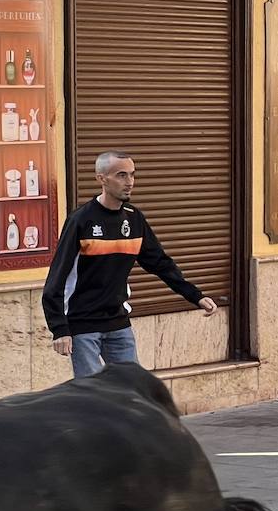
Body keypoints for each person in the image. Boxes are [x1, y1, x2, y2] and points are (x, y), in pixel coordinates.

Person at [42, 151, 218, 377]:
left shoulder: (134, 219)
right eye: (121, 175)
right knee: (93, 396)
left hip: (118, 323)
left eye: (132, 175)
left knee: (132, 390)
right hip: (83, 325)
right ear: (101, 179)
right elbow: (56, 278)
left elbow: (160, 263)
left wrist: (196, 295)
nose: (130, 182)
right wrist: (60, 329)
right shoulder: (81, 221)